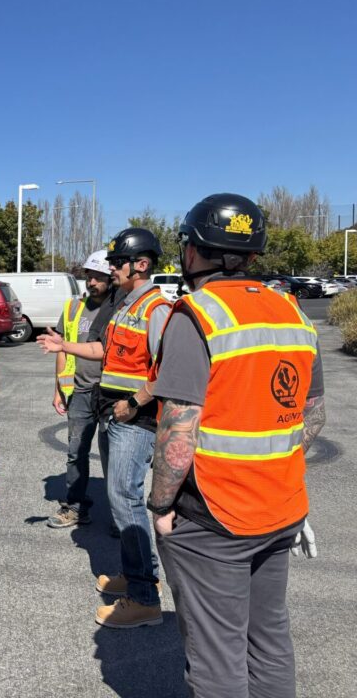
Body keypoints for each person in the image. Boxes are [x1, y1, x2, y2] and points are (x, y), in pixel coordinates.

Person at [148, 193, 325, 697]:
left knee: (216, 658)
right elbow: (313, 415)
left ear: (195, 250)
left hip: (215, 516)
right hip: (282, 506)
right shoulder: (291, 311)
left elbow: (179, 426)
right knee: (269, 640)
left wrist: (161, 505)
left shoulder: (197, 315)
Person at [38, 227, 171, 628]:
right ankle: (136, 575)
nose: (111, 268)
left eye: (117, 262)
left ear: (140, 265)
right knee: (120, 497)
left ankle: (145, 598)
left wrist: (134, 402)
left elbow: (170, 369)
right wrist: (64, 347)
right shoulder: (127, 306)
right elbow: (103, 351)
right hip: (118, 413)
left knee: (126, 500)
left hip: (136, 419)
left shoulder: (155, 309)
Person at [47, 250, 113, 529]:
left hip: (111, 393)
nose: (92, 282)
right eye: (90, 276)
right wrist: (58, 389)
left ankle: (120, 517)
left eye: (99, 277)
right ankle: (75, 507)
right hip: (80, 392)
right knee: (76, 452)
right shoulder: (73, 308)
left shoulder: (121, 309)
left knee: (114, 457)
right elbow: (61, 348)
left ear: (112, 278)